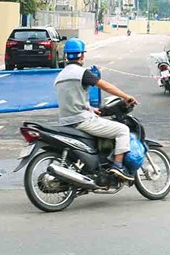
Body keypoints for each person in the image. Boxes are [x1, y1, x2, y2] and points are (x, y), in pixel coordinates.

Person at [55, 38, 139, 181]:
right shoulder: (82, 73)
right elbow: (105, 86)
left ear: (66, 55)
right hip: (81, 120)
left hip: (65, 121)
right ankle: (118, 166)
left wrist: (90, 108)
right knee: (122, 130)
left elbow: (73, 97)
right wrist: (126, 97)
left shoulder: (60, 76)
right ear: (82, 55)